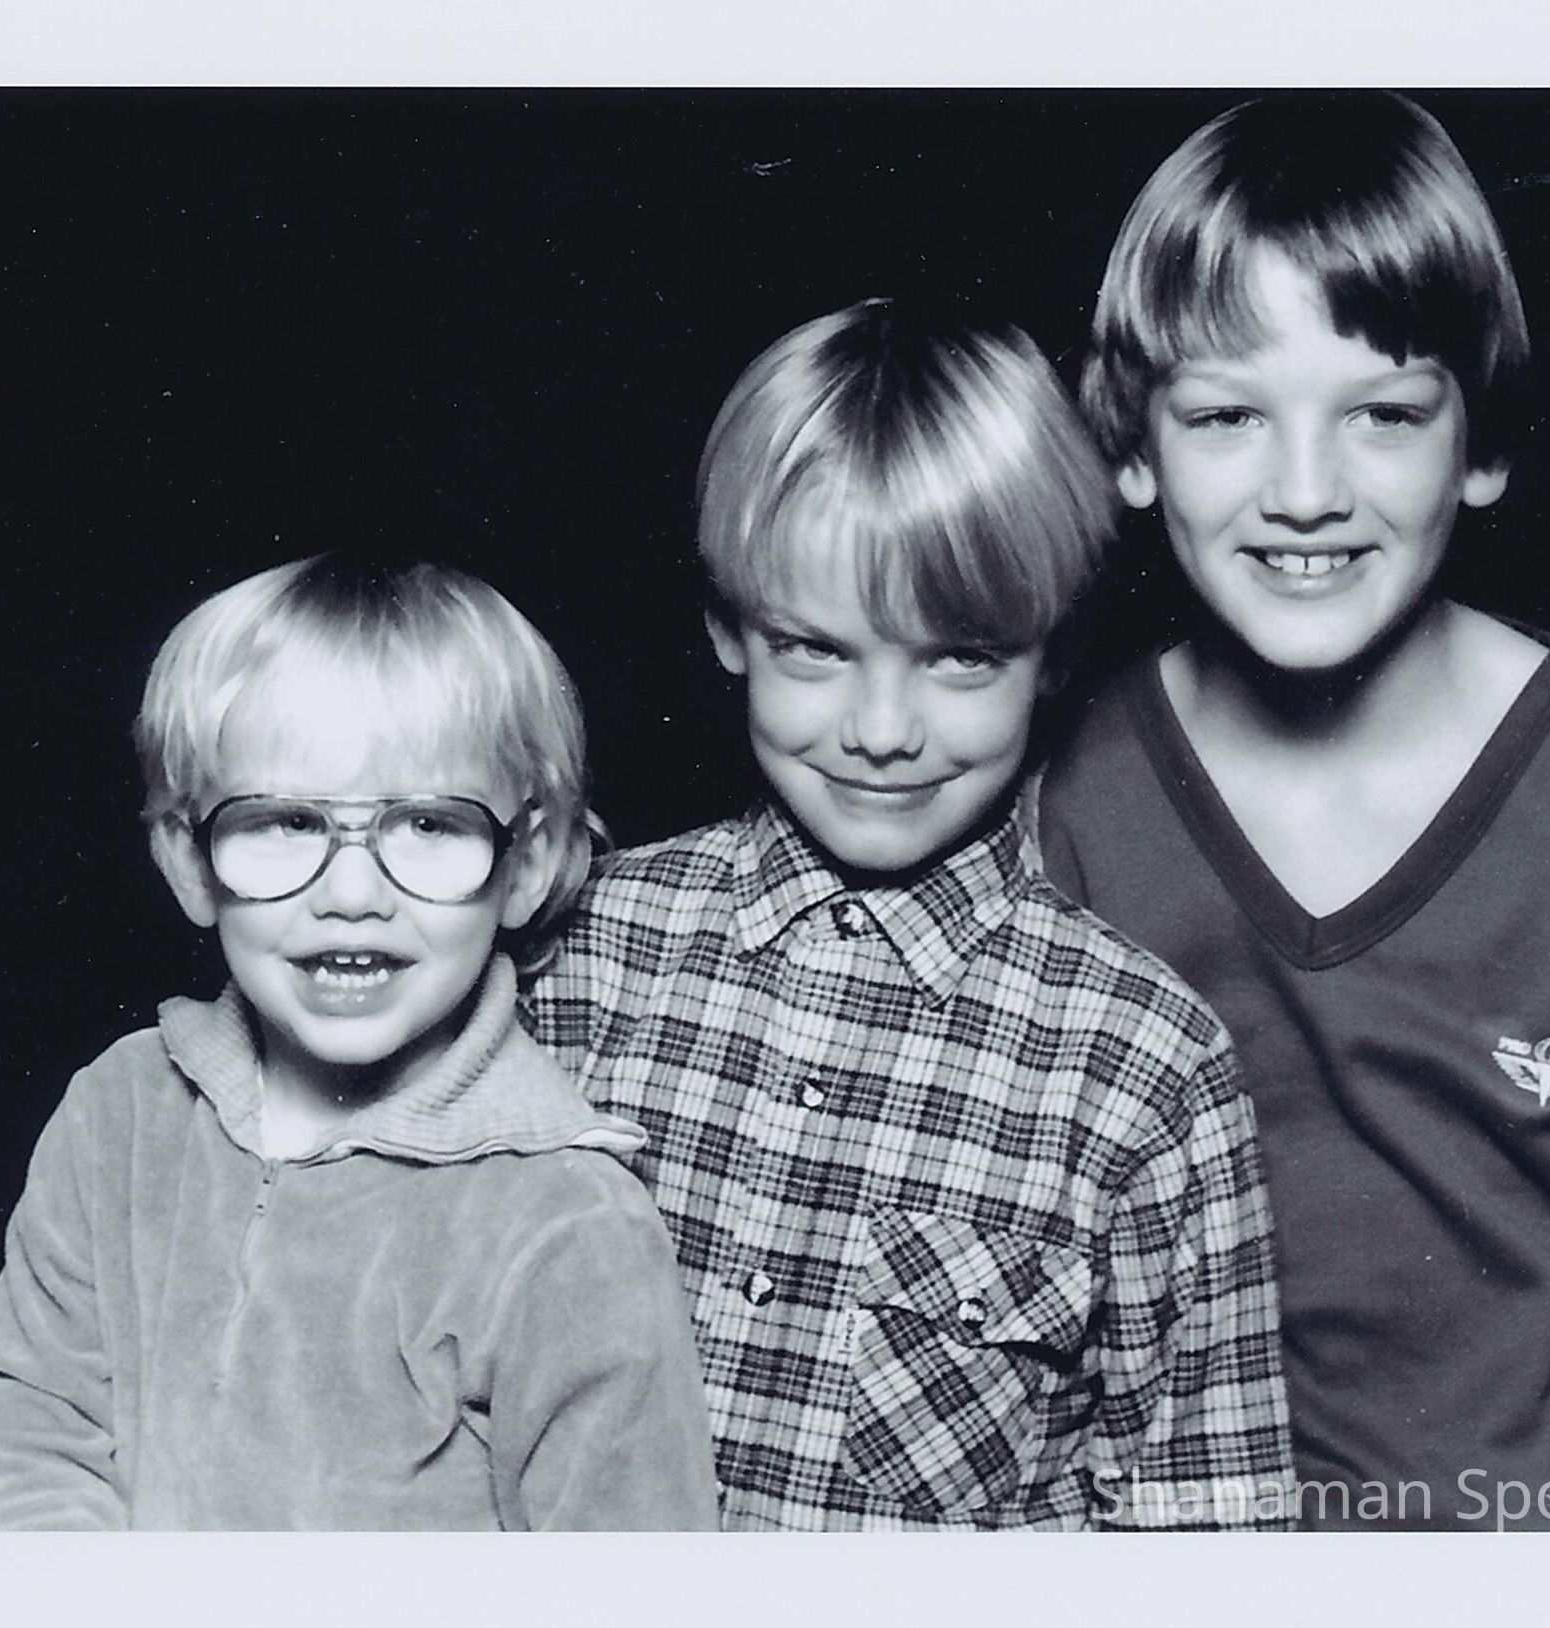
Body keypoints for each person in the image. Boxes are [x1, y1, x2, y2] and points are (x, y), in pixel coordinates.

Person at [1038, 93, 1550, 1530]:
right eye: (1227, 415)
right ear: (1131, 445)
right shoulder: (1058, 798)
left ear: (1479, 445)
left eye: (1382, 414)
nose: (1305, 492)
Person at [522, 299, 1296, 1531]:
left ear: (1055, 650)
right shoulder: (565, 955)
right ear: (727, 628)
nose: (881, 731)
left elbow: (1205, 1522)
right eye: (815, 648)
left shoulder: (1144, 1065)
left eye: (958, 656)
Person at [0, 555, 717, 1530]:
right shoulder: (121, 1111)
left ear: (527, 866)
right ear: (187, 860)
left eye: (430, 822)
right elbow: (34, 1423)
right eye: (285, 820)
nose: (352, 893)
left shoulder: (569, 1224)